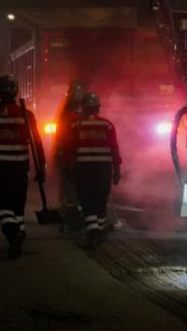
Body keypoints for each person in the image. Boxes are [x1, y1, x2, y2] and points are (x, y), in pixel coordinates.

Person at [0, 74, 46, 259]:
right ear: (16, 91)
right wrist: (42, 167)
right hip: (20, 169)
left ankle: (13, 234)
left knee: (1, 205)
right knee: (17, 207)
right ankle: (18, 238)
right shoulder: (26, 115)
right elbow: (36, 142)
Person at [66, 93, 121, 249]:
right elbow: (114, 149)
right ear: (98, 107)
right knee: (101, 200)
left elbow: (71, 149)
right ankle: (99, 229)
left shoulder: (75, 125)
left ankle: (92, 231)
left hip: (82, 169)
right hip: (103, 169)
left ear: (83, 107)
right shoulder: (107, 125)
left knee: (87, 199)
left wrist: (69, 167)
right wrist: (117, 169)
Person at [53, 81, 84, 233]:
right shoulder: (72, 118)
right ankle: (72, 220)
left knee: (66, 189)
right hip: (70, 159)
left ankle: (67, 218)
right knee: (71, 190)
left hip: (65, 158)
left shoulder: (65, 115)